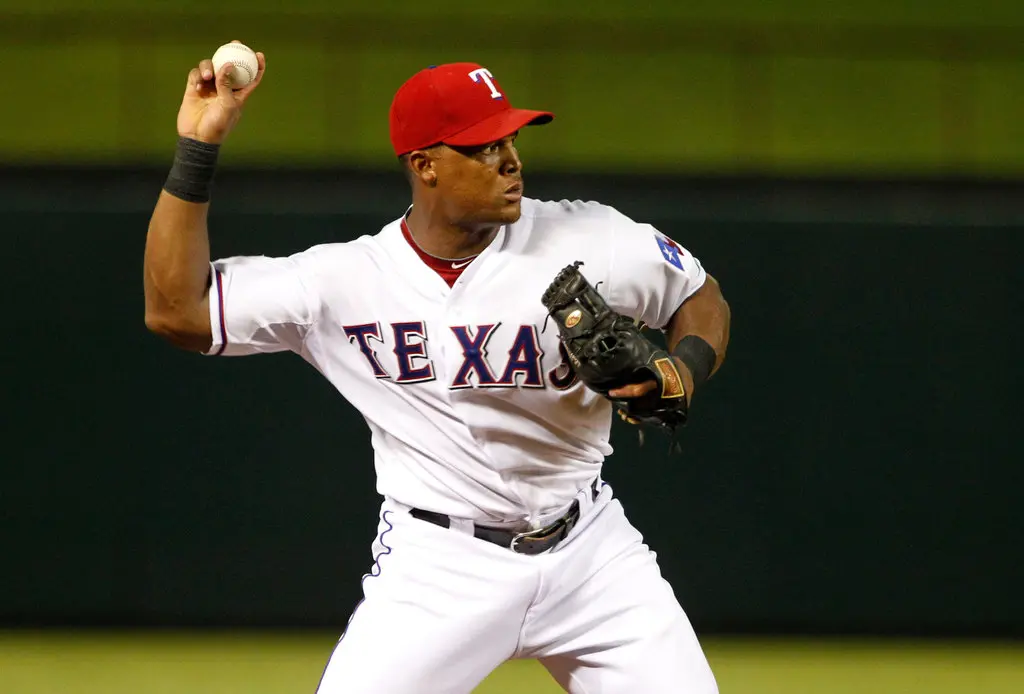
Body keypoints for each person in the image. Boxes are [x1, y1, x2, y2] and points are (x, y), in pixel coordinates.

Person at [144, 47, 731, 694]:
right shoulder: (344, 281)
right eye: (481, 147)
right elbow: (179, 312)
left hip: (591, 552)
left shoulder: (590, 238)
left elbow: (698, 295)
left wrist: (685, 368)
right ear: (424, 165)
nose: (510, 160)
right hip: (438, 566)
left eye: (510, 138)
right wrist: (198, 148)